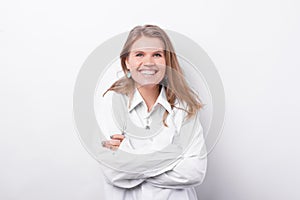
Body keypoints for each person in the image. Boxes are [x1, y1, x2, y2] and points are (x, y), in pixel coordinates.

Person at [99, 24, 207, 200]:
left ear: (167, 61)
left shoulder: (184, 106)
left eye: (157, 54)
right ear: (127, 61)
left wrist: (131, 154)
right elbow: (113, 171)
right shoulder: (111, 102)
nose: (148, 62)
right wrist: (175, 153)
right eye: (139, 54)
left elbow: (194, 171)